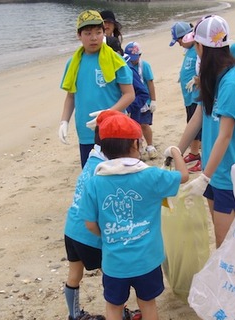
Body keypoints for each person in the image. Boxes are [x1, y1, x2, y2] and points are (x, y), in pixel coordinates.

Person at [80, 110, 189, 320]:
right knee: (148, 304)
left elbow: (89, 224)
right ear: (136, 145)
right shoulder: (151, 175)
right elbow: (183, 176)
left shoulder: (94, 182)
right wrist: (175, 151)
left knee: (114, 307)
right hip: (147, 260)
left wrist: (108, 237)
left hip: (114, 262)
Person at [174, 15, 235, 248]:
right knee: (222, 240)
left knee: (227, 243)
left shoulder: (233, 82)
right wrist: (177, 151)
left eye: (196, 45)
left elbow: (226, 134)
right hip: (214, 170)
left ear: (201, 46)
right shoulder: (213, 76)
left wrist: (205, 176)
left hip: (230, 174)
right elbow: (198, 116)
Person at [58, 10, 135, 168]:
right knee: (91, 176)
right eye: (88, 33)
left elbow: (129, 95)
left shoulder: (116, 60)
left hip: (114, 130)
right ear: (79, 35)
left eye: (98, 32)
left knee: (116, 175)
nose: (94, 38)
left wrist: (107, 113)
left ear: (104, 33)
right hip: (86, 131)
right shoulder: (73, 63)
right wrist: (64, 121)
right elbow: (71, 97)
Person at [63, 111, 116, 320]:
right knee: (110, 273)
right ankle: (118, 311)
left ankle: (74, 315)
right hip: (88, 234)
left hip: (71, 228)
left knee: (75, 274)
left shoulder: (92, 159)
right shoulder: (104, 169)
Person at [169, 21, 202, 172]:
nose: (179, 44)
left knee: (201, 129)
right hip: (188, 97)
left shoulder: (198, 48)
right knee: (191, 125)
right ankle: (194, 153)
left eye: (179, 40)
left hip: (197, 96)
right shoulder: (189, 51)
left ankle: (204, 158)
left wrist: (197, 79)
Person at [125, 41, 159, 160]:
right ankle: (137, 149)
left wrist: (153, 100)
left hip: (145, 101)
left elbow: (150, 83)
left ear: (140, 55)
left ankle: (150, 145)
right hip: (132, 101)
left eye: (135, 57)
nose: (133, 60)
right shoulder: (126, 65)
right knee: (134, 126)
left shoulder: (145, 66)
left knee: (144, 124)